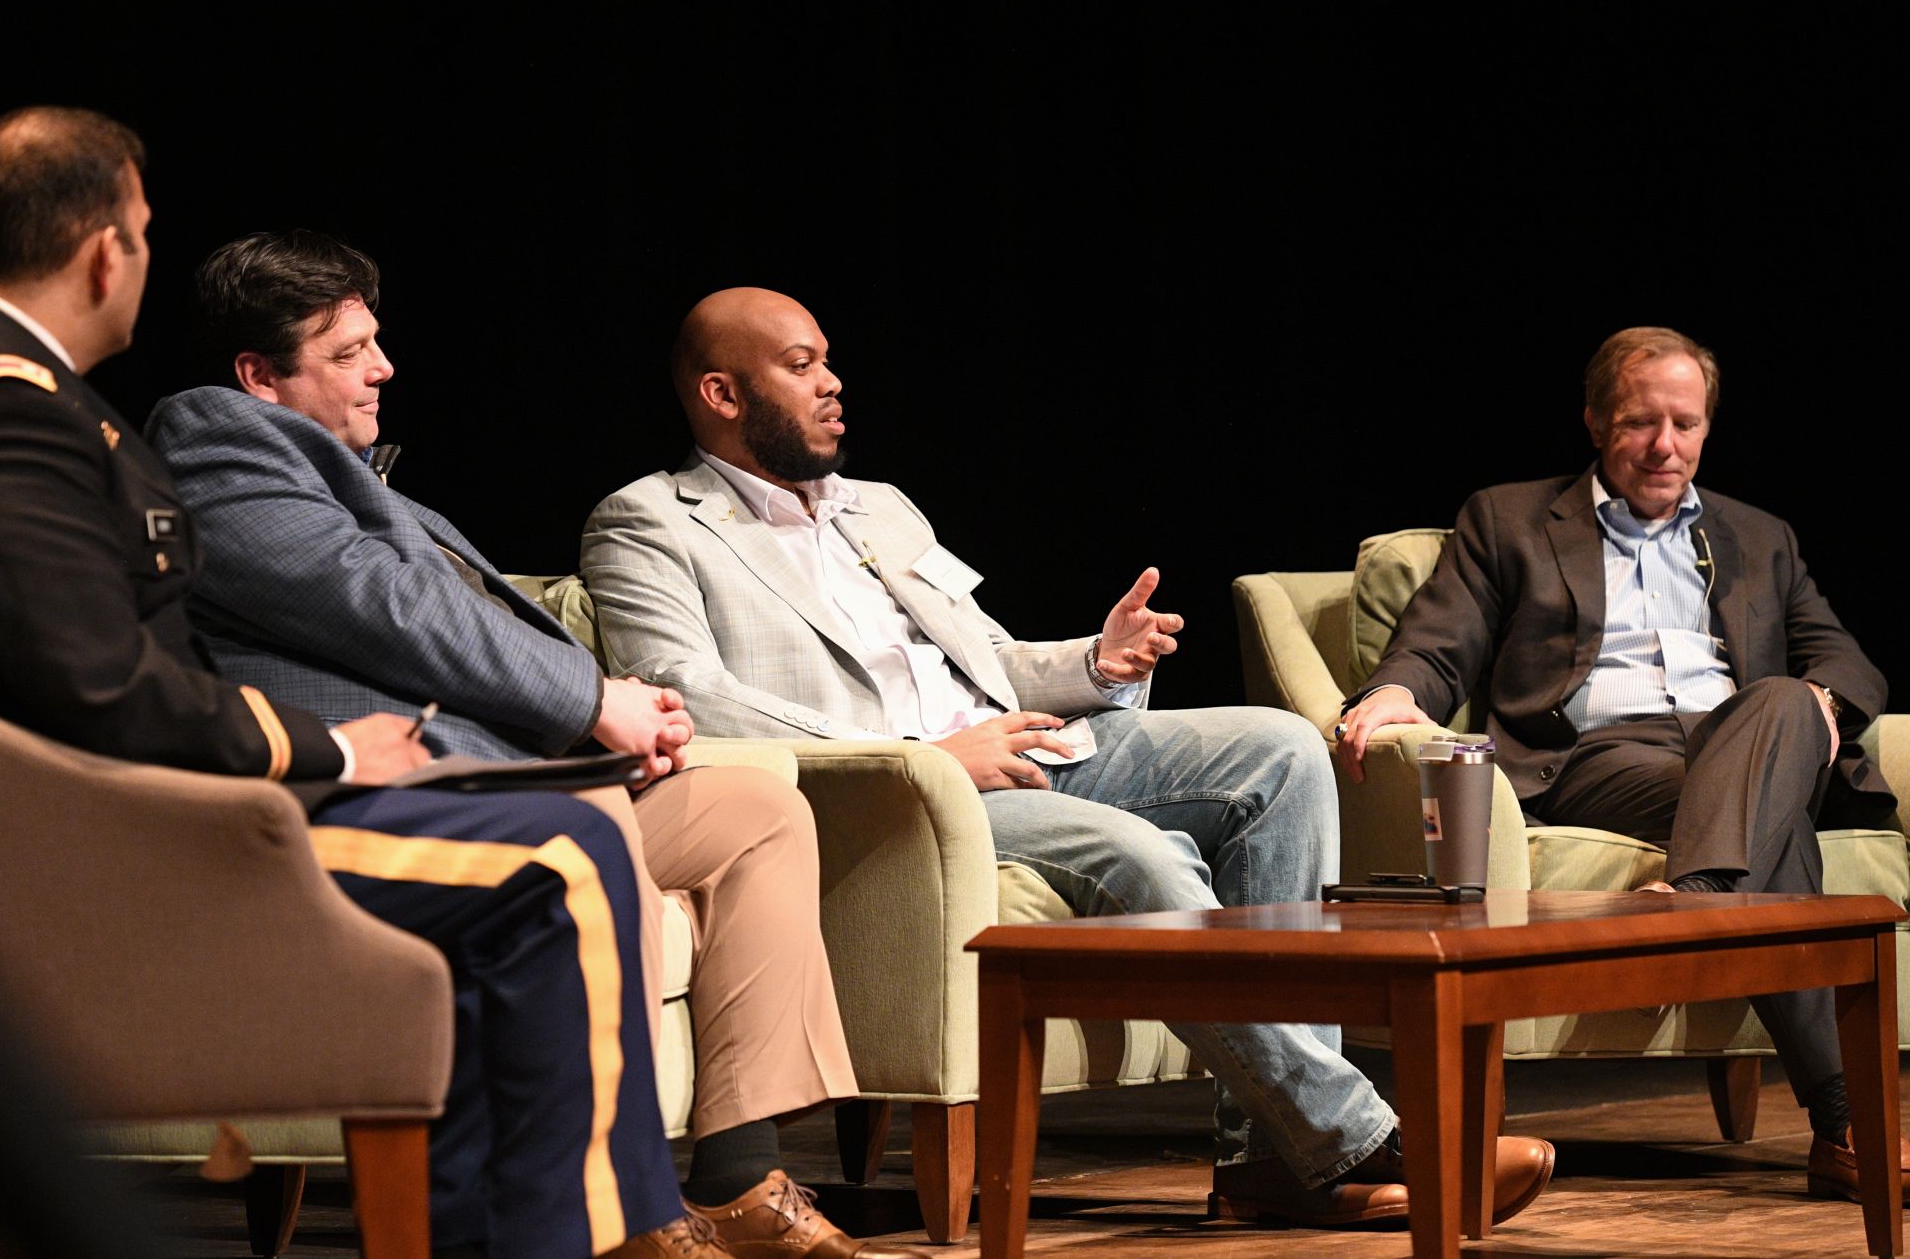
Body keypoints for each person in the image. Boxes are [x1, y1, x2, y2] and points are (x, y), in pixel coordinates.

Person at [0, 108, 712, 1259]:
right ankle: (582, 1244)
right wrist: (328, 751)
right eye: (145, 230)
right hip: (86, 851)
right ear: (108, 247)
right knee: (557, 859)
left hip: (117, 816)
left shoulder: (5, 391)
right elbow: (99, 691)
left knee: (544, 838)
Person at [578, 287, 1555, 1227]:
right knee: (1142, 856)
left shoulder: (876, 508)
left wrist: (1092, 662)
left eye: (829, 360)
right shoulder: (650, 523)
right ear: (721, 393)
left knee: (1279, 750)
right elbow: (684, 697)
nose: (832, 381)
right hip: (896, 798)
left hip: (1009, 744)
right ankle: (1346, 1137)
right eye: (800, 366)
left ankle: (1266, 1151)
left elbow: (982, 658)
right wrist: (924, 755)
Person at [145, 232, 911, 1259]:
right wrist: (589, 703)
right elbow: (385, 607)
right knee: (577, 830)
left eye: (377, 342)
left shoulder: (371, 485)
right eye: (348, 352)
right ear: (258, 376)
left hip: (496, 766)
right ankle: (617, 1217)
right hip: (365, 799)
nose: (383, 367)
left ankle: (736, 1177)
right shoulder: (214, 438)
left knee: (757, 810)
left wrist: (612, 720)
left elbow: (462, 621)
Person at [1334, 325, 1900, 1203]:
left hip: (1743, 745)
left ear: (1708, 427)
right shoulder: (1510, 518)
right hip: (1597, 756)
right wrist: (1398, 691)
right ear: (1597, 421)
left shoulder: (1760, 535)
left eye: (1685, 423)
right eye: (1641, 422)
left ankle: (1704, 899)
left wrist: (1824, 705)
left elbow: (1846, 661)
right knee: (1772, 817)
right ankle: (1847, 1123)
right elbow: (1441, 643)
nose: (1665, 445)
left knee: (1788, 701)